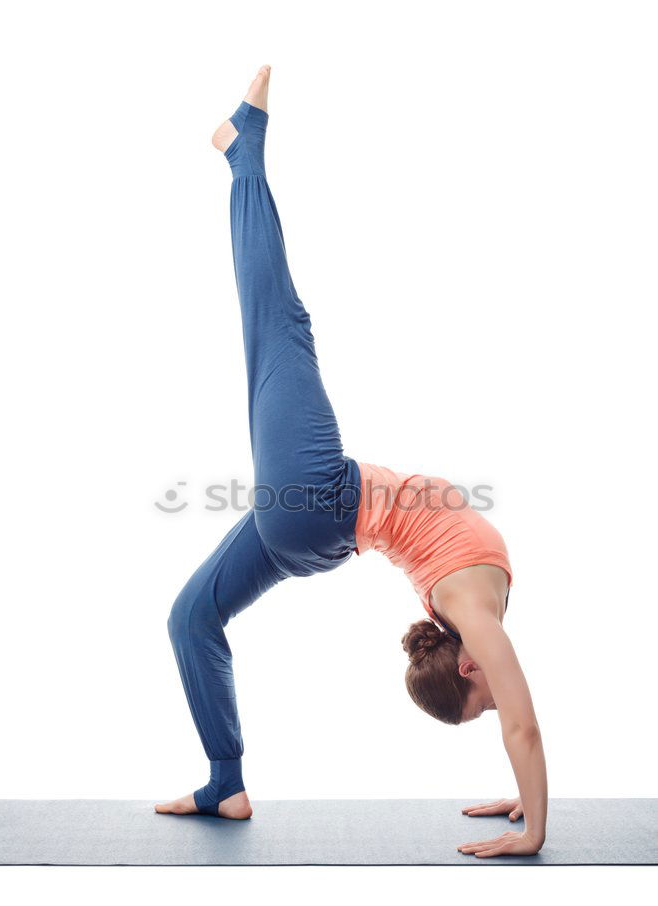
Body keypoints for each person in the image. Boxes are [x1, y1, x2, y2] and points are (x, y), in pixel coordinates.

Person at [155, 67, 548, 859]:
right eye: (480, 706)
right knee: (191, 616)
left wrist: (533, 831)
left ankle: (243, 151)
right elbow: (517, 722)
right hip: (317, 529)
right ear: (470, 669)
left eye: (477, 704)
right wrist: (524, 799)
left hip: (318, 502)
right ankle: (224, 781)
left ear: (465, 666)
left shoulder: (471, 614)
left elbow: (520, 722)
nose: (494, 693)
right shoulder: (471, 615)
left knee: (282, 323)